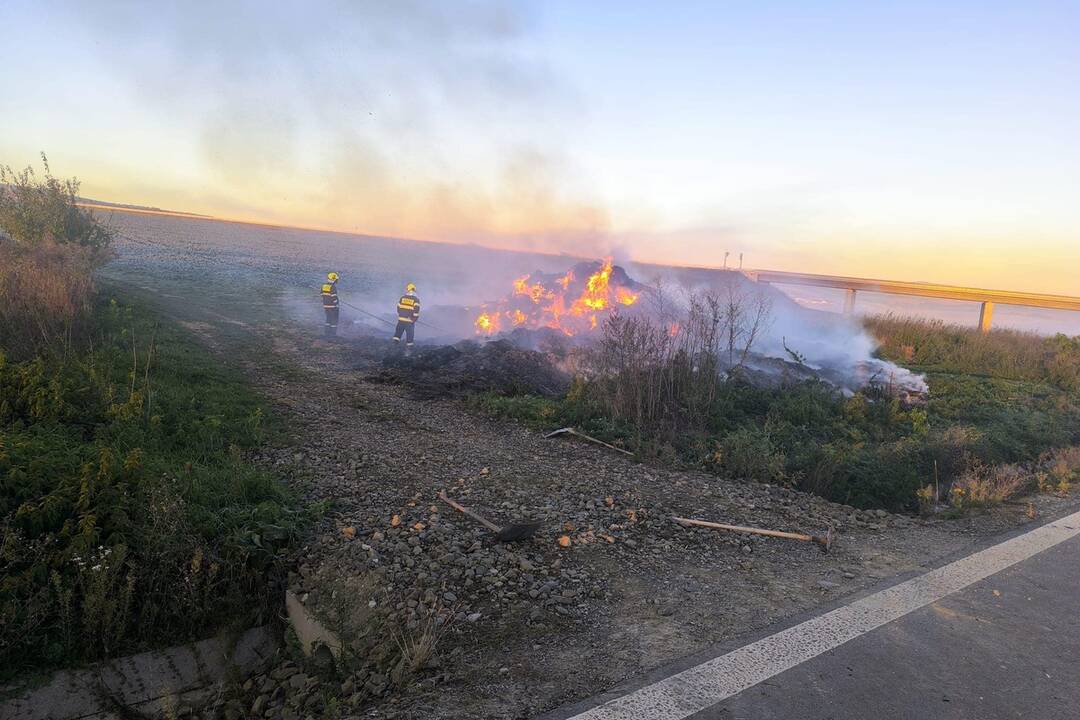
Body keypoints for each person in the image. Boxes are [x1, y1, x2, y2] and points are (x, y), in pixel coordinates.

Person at [393, 282, 420, 352]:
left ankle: (393, 346)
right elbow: (416, 312)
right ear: (414, 290)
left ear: (407, 290)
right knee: (410, 335)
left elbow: (398, 309)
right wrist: (414, 319)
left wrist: (402, 315)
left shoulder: (402, 298)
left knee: (398, 333)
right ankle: (408, 351)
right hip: (409, 321)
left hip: (401, 319)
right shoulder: (416, 300)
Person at [321, 272, 340, 337]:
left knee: (328, 319)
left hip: (326, 306)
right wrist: (337, 304)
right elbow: (334, 298)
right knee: (334, 320)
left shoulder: (323, 286)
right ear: (334, 280)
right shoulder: (333, 287)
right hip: (333, 306)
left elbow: (322, 295)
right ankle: (333, 334)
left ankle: (327, 332)